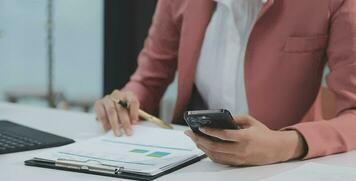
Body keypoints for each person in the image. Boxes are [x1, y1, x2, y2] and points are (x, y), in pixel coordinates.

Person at [95, 0, 356, 166]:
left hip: (288, 170)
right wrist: (125, 100)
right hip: (197, 165)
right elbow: (149, 79)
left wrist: (285, 144)